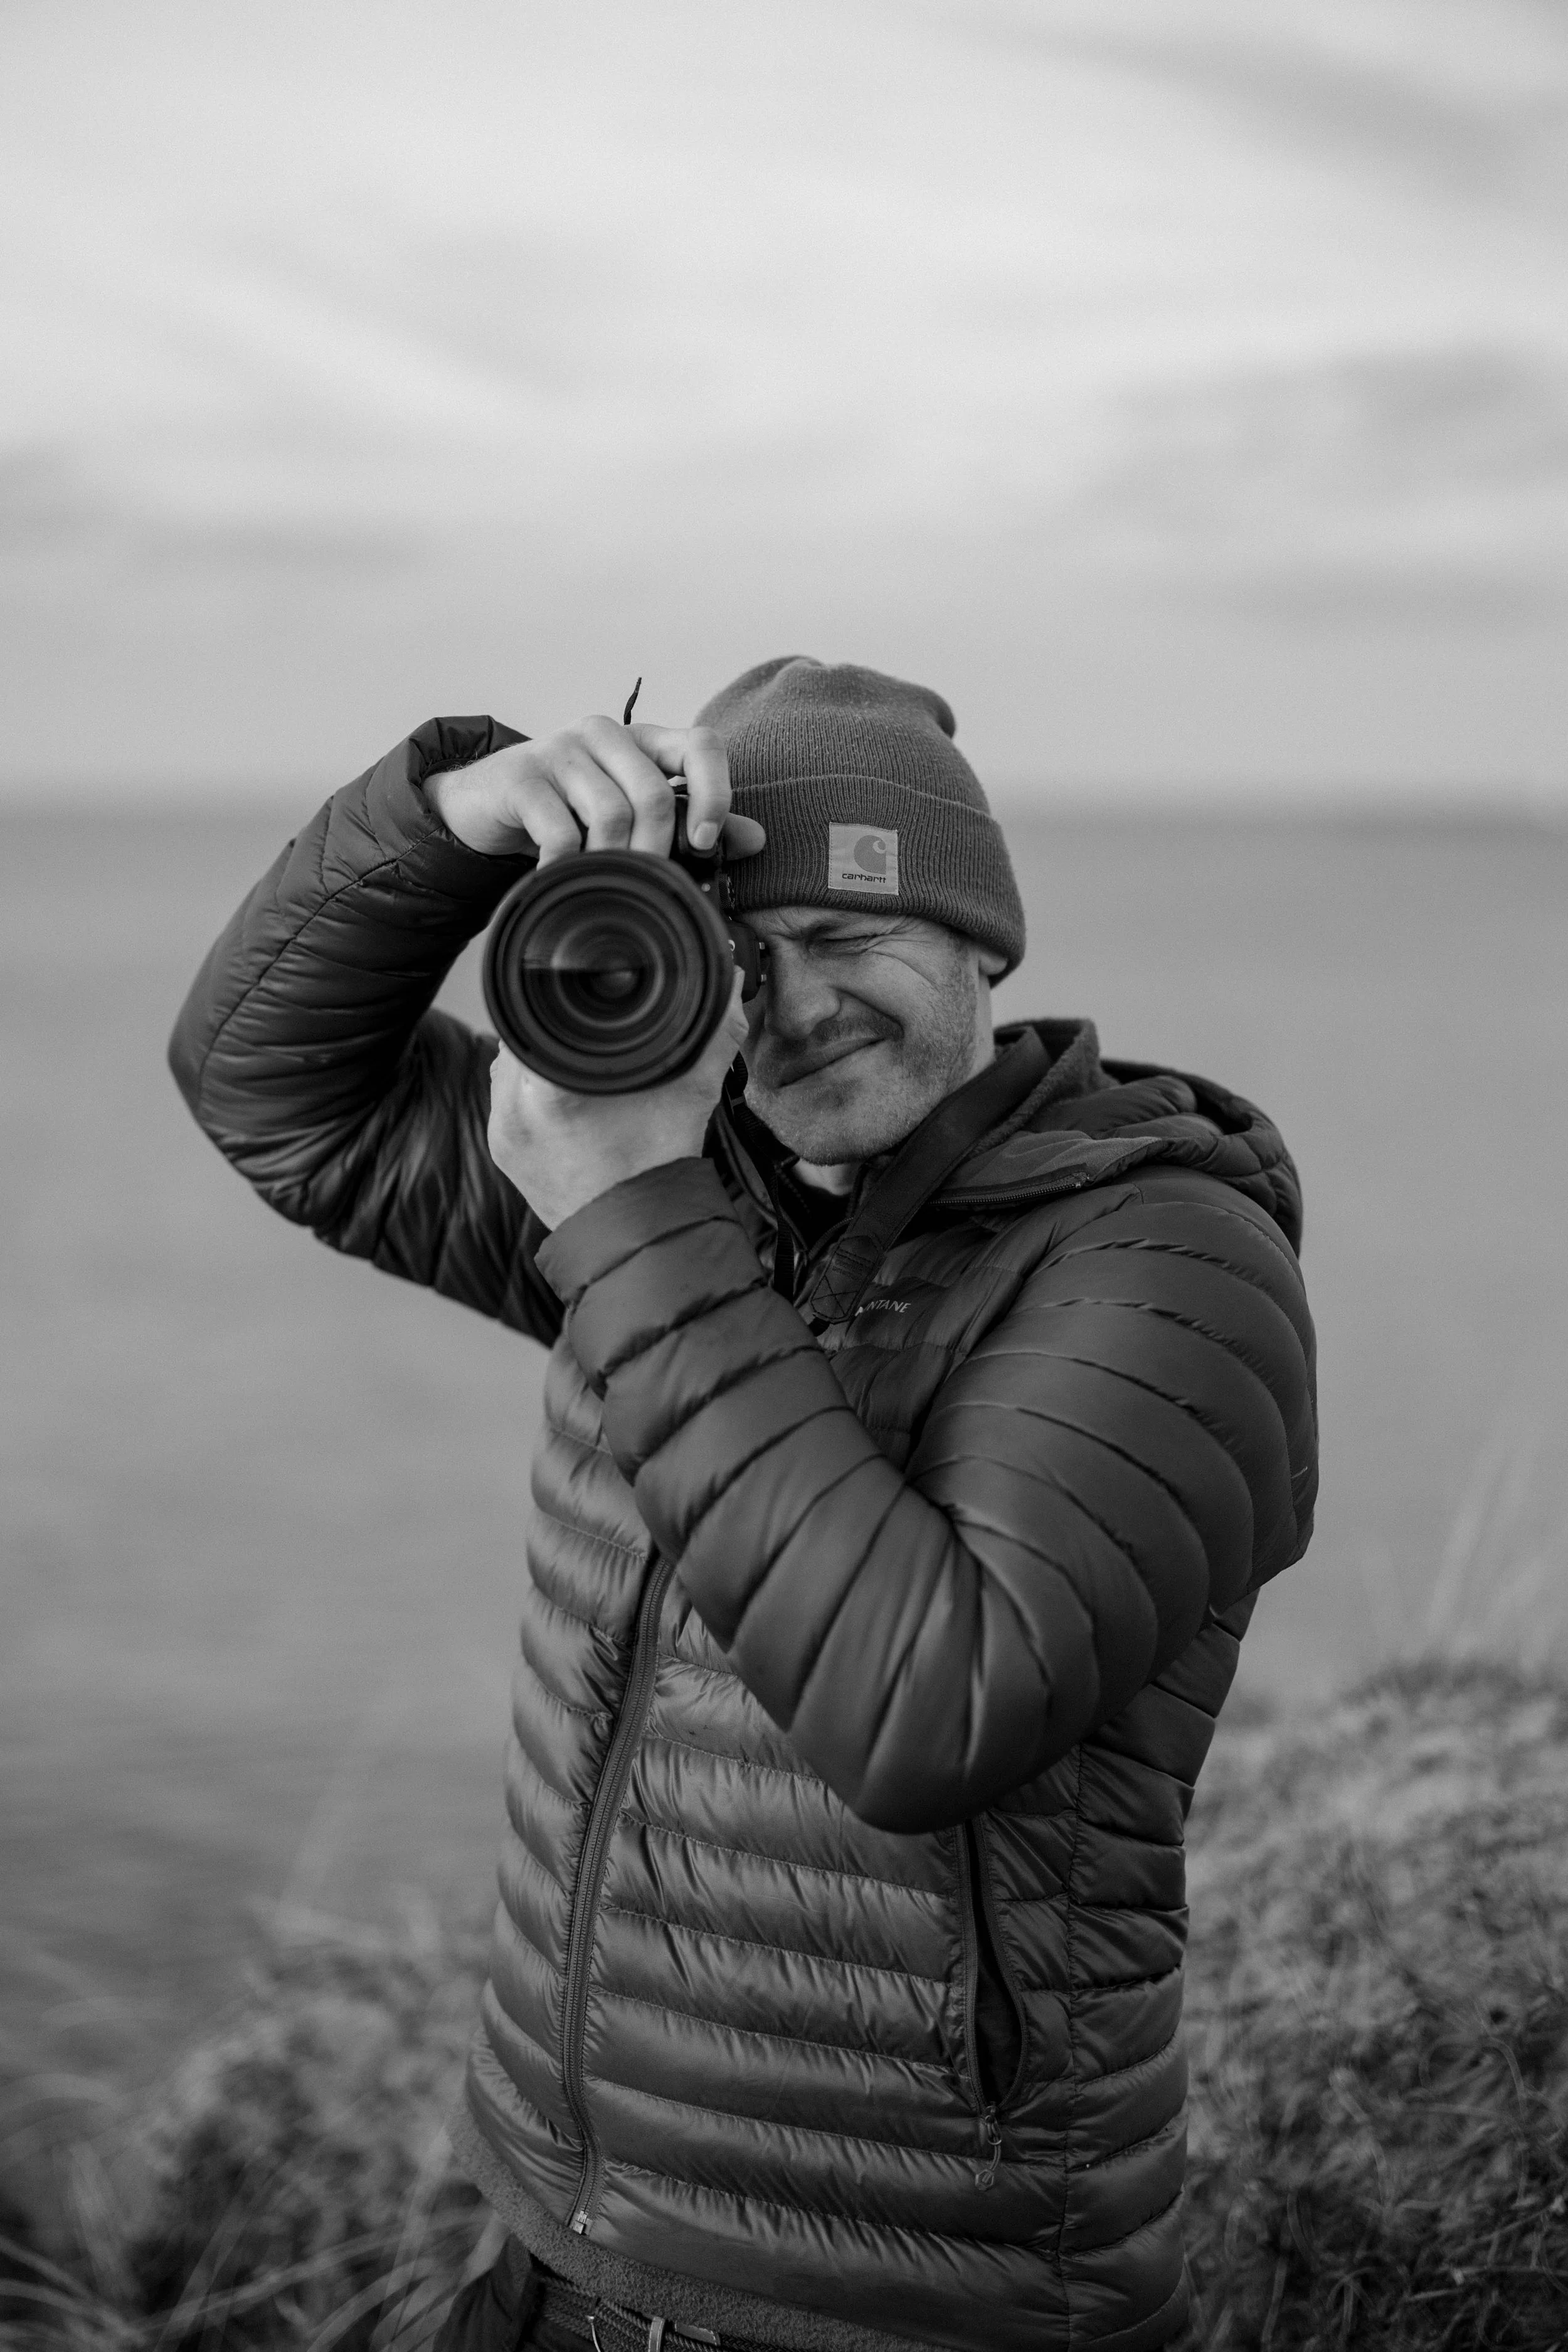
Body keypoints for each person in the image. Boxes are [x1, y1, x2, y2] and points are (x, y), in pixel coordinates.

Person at [169, 658, 1317, 2352]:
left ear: (978, 942)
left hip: (902, 2296)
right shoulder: (675, 1195)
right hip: (555, 2233)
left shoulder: (1161, 1259)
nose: (796, 1012)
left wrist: (626, 1207)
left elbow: (927, 1707)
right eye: (740, 957)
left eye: (852, 939)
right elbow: (268, 1084)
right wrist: (448, 821)